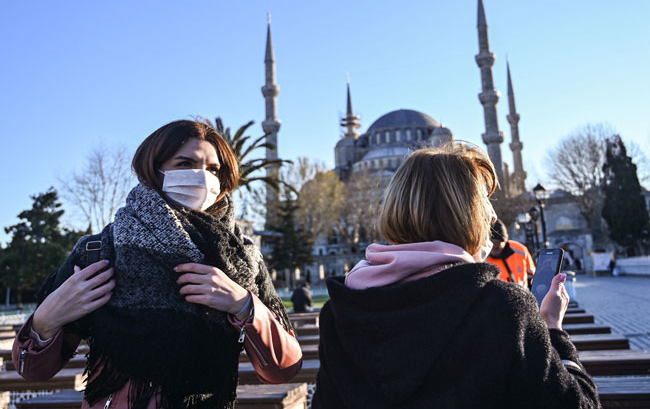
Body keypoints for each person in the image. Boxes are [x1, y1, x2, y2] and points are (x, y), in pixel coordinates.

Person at [12, 120, 303, 408]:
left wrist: (244, 305)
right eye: (185, 164)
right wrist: (46, 319)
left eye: (213, 169)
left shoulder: (242, 261)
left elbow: (283, 370)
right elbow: (33, 370)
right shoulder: (100, 252)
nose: (202, 177)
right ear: (154, 170)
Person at [312, 142, 599, 408]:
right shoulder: (502, 308)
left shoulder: (341, 313)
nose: (492, 217)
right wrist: (552, 329)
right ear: (467, 215)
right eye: (484, 203)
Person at [486, 219, 536, 288]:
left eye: (496, 242)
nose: (493, 246)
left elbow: (532, 276)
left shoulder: (520, 250)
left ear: (504, 241)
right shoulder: (483, 259)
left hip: (523, 293)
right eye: (491, 242)